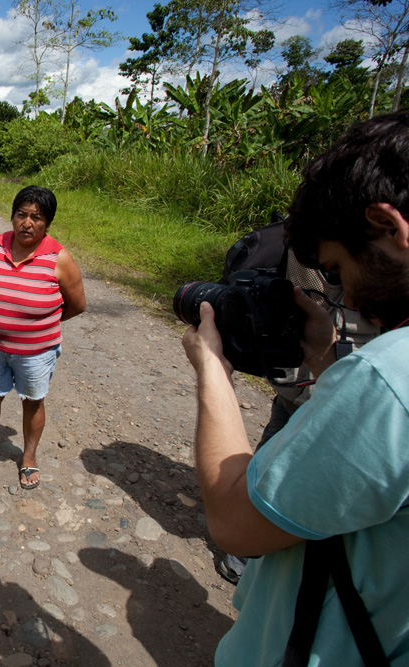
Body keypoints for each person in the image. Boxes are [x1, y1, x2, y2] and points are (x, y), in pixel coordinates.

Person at [181, 111, 409, 665]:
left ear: (388, 226)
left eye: (338, 269)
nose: (347, 297)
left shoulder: (387, 379)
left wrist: (212, 369)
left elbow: (234, 520)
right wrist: (325, 358)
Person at [217, 253, 381, 585]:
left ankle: (264, 542)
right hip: (302, 382)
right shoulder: (303, 246)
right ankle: (249, 550)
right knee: (268, 460)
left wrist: (214, 372)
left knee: (315, 478)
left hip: (345, 389)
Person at [0, 185, 86, 489]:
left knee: (32, 401)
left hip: (36, 352)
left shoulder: (59, 258)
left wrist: (40, 324)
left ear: (47, 223)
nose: (27, 223)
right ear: (12, 216)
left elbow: (77, 305)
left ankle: (28, 457)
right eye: (21, 214)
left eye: (36, 217)